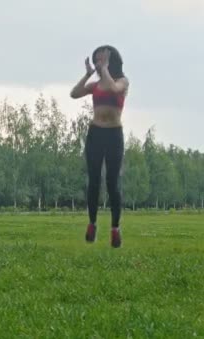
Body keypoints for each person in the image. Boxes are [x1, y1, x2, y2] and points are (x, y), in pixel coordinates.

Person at [70, 45, 129, 248]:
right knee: (93, 181)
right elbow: (74, 93)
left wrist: (104, 69)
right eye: (96, 60)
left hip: (114, 135)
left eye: (102, 59)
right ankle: (92, 224)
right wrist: (87, 74)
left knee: (113, 183)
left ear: (112, 60)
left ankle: (115, 228)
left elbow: (113, 88)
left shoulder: (122, 81)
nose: (98, 62)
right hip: (95, 134)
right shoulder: (94, 85)